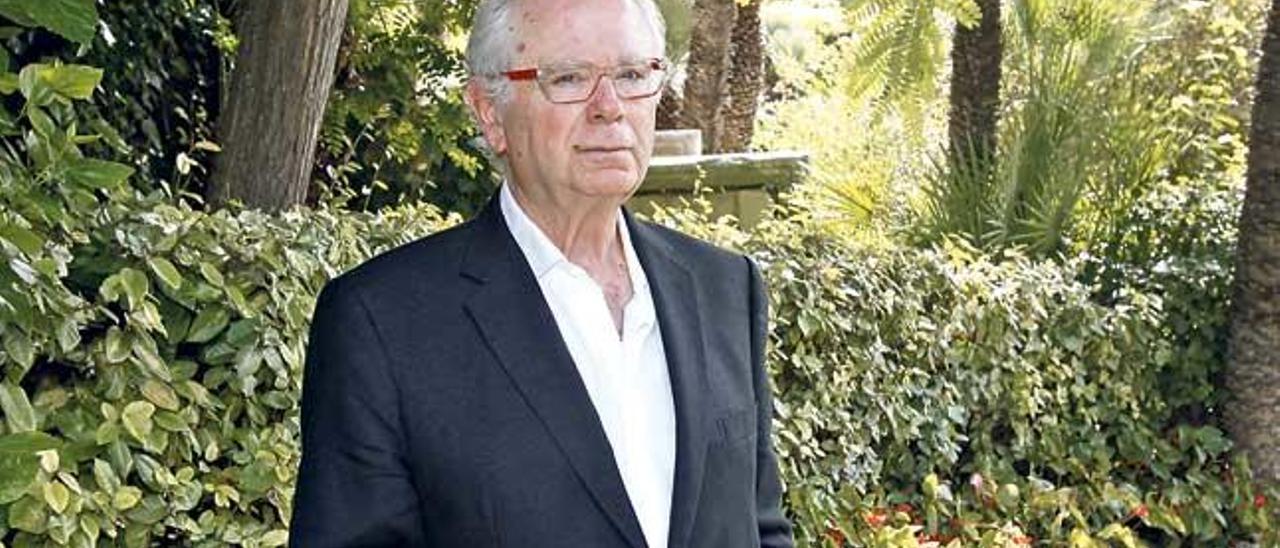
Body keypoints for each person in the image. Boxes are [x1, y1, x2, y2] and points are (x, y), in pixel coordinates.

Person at [288, 0, 794, 546]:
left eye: (630, 75)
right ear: (489, 113)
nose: (610, 107)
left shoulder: (725, 289)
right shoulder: (382, 322)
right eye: (569, 78)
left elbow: (760, 526)